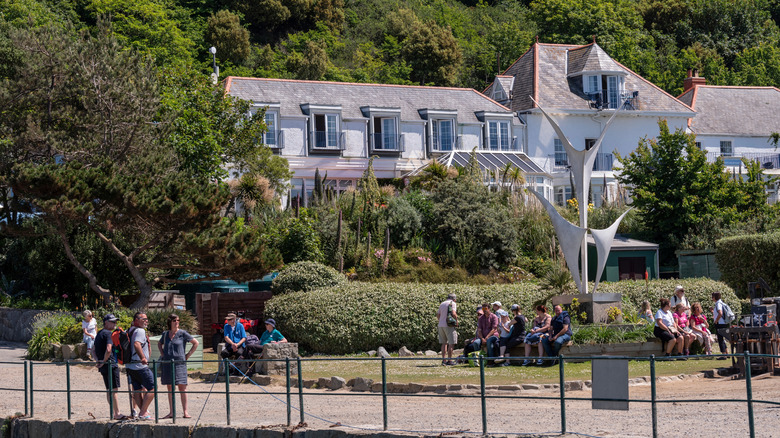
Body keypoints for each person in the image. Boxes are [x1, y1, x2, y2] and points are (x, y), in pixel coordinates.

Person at [158, 313, 199, 419]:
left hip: (180, 363)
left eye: (178, 320)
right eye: (174, 321)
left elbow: (196, 343)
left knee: (182, 387)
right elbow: (159, 343)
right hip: (167, 363)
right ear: (170, 322)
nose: (177, 322)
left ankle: (185, 412)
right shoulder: (166, 334)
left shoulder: (182, 333)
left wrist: (188, 355)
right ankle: (171, 412)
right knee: (170, 388)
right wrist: (162, 354)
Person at [92, 314, 126, 420]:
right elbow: (109, 349)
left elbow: (93, 350)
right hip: (110, 365)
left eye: (115, 321)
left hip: (104, 366)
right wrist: (104, 361)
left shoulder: (99, 333)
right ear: (106, 322)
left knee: (109, 389)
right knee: (114, 390)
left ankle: (113, 412)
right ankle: (117, 413)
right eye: (112, 322)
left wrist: (98, 360)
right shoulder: (108, 333)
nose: (115, 323)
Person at [126, 312, 155, 420]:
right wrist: (143, 357)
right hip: (140, 366)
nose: (146, 321)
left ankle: (144, 412)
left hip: (130, 366)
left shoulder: (130, 330)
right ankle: (143, 413)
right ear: (137, 320)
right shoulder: (140, 331)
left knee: (137, 389)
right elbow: (136, 344)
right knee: (152, 389)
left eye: (147, 319)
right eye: (144, 319)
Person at [436, 293, 458, 366]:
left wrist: (440, 321)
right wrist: (456, 321)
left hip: (440, 325)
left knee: (444, 343)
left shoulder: (442, 303)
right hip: (449, 325)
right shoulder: (453, 303)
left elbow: (438, 314)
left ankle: (443, 360)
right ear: (454, 298)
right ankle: (449, 360)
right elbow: (454, 313)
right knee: (451, 343)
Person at [712, 292, 729, 359]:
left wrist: (716, 320)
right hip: (723, 323)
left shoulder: (718, 303)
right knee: (722, 338)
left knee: (720, 339)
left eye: (712, 297)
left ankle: (723, 354)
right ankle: (727, 353)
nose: (712, 299)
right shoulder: (721, 303)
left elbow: (720, 313)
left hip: (720, 323)